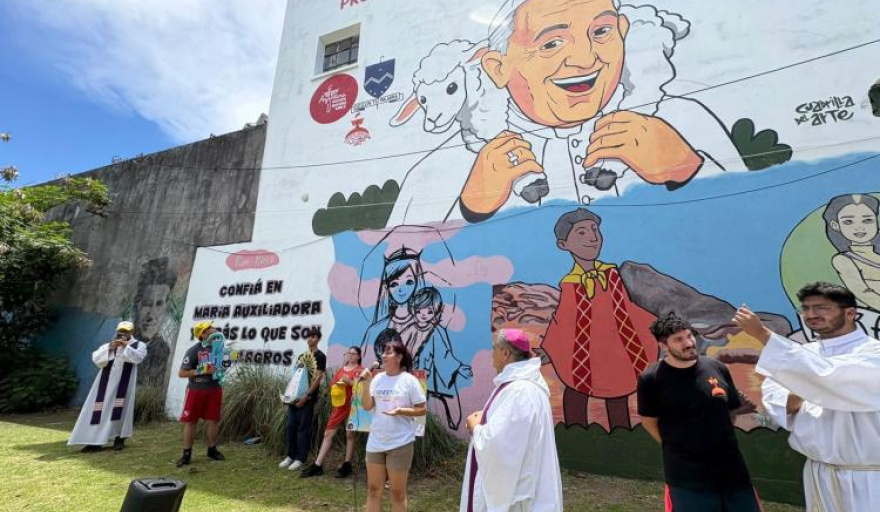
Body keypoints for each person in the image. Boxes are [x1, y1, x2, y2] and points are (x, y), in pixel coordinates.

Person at [388, 0, 742, 225]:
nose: (586, 59)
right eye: (551, 44)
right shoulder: (435, 171)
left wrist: (686, 169)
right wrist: (472, 207)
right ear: (497, 68)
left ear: (623, 31)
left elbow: (762, 227)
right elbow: (394, 272)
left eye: (601, 32)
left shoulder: (683, 120)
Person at [734, 282, 880, 512]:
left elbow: (834, 379)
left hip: (869, 478)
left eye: (821, 308)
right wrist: (810, 383)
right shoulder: (802, 355)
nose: (811, 315)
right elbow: (778, 400)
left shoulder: (874, 354)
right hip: (818, 472)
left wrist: (764, 335)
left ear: (851, 312)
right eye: (806, 309)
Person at [542, 208, 657, 429]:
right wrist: (550, 345)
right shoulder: (570, 283)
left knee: (619, 389)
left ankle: (622, 432)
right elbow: (563, 318)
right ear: (563, 245)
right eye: (582, 233)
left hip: (617, 347)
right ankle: (575, 430)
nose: (593, 237)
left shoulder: (611, 273)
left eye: (595, 230)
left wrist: (654, 326)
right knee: (576, 391)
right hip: (582, 352)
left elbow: (625, 307)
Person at [637, 312, 761, 512]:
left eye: (689, 336)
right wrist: (675, 444)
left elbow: (731, 411)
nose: (688, 343)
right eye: (678, 340)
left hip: (733, 471)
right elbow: (649, 420)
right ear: (663, 346)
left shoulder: (717, 367)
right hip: (686, 477)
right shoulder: (651, 379)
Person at [460, 328, 562, 512]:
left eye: (494, 349)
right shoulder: (523, 385)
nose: (491, 355)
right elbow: (513, 429)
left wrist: (476, 427)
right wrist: (487, 416)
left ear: (505, 353)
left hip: (516, 498)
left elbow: (499, 445)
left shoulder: (520, 390)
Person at [359, 340, 427, 512]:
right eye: (383, 352)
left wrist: (401, 411)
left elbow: (422, 409)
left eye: (388, 352)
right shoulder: (377, 379)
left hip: (400, 443)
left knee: (397, 493)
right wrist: (366, 385)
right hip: (376, 442)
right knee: (374, 491)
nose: (383, 355)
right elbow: (367, 406)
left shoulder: (409, 380)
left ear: (399, 357)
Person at [69, 321, 147, 452]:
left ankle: (119, 439)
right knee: (100, 411)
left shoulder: (139, 345)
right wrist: (110, 348)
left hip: (124, 386)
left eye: (127, 331)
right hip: (104, 386)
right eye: (121, 331)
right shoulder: (109, 345)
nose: (123, 334)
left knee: (122, 409)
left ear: (132, 332)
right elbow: (96, 359)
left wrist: (126, 347)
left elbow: (137, 358)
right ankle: (94, 441)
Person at [403, 286, 473, 430]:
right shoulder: (409, 329)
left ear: (436, 312)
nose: (424, 315)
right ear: (413, 309)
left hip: (426, 375)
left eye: (429, 311)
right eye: (419, 310)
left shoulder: (437, 331)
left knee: (422, 405)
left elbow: (445, 353)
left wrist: (458, 367)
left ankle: (421, 435)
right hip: (409, 373)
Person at [300, 345, 362, 478]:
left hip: (352, 406)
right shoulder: (341, 370)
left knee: (350, 435)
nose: (350, 355)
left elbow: (362, 388)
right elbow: (332, 385)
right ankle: (317, 465)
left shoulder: (360, 370)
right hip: (339, 406)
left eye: (353, 353)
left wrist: (350, 382)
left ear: (359, 356)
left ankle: (347, 464)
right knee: (328, 433)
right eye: (348, 353)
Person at [176, 320, 226, 467]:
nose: (214, 328)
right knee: (191, 421)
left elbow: (221, 367)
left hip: (214, 388)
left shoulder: (219, 348)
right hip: (196, 389)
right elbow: (181, 373)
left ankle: (212, 450)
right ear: (203, 334)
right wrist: (202, 370)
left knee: (213, 420)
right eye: (209, 328)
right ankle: (186, 454)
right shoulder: (193, 350)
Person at [362, 248, 425, 363]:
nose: (401, 289)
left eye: (409, 282)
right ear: (387, 288)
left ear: (417, 283)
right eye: (394, 284)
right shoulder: (374, 330)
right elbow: (366, 367)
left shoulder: (426, 329)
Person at [823, 194, 880, 311]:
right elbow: (863, 293)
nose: (859, 227)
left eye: (867, 220)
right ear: (836, 225)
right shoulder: (843, 260)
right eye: (848, 222)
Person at [280, 331, 327, 471]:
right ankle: (290, 455)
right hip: (294, 398)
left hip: (308, 398)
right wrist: (289, 396)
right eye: (309, 337)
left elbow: (318, 378)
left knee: (303, 428)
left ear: (318, 339)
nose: (310, 339)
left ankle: (300, 458)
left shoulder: (321, 356)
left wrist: (306, 396)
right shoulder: (302, 356)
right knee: (291, 426)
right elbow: (296, 377)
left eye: (313, 337)